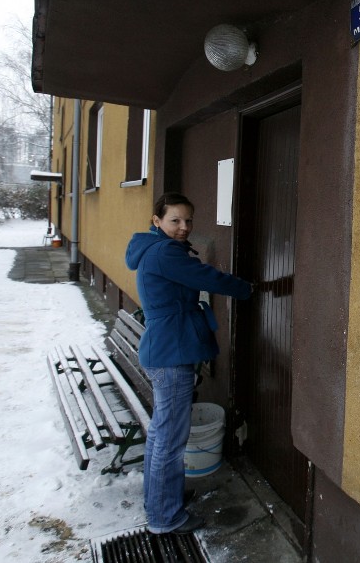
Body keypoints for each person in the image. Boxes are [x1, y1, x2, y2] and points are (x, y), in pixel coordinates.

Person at [125, 192, 251, 534]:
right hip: (170, 355)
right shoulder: (166, 253)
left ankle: (161, 502)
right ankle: (165, 517)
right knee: (169, 439)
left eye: (188, 220)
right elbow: (209, 279)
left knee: (162, 437)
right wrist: (247, 289)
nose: (183, 228)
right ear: (157, 221)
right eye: (174, 221)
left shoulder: (154, 249)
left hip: (164, 349)